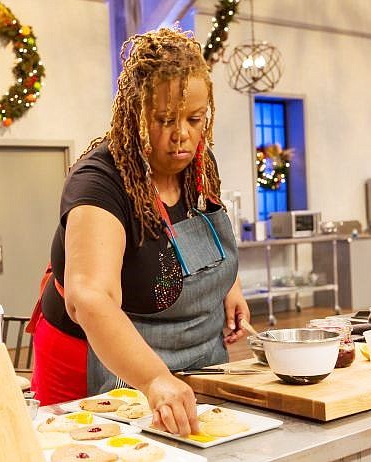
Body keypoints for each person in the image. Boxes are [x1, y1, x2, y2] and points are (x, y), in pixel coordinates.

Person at [28, 27, 251, 437]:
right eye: (165, 120)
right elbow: (90, 299)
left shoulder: (198, 163)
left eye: (195, 119)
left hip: (189, 356)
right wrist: (153, 379)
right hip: (91, 357)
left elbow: (203, 235)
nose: (182, 135)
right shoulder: (100, 182)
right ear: (135, 113)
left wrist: (229, 287)